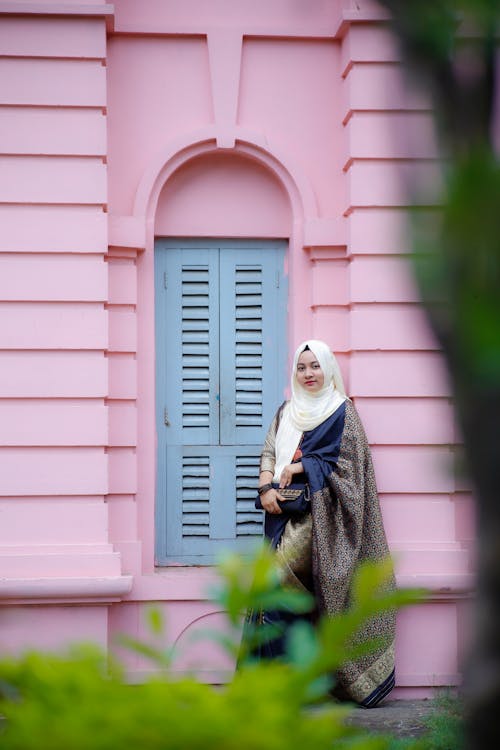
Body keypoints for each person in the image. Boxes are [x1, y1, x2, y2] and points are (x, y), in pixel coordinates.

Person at [253, 339, 395, 707]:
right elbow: (270, 448)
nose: (308, 374)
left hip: (320, 522)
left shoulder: (342, 412)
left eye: (315, 366)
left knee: (285, 593)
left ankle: (298, 686)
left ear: (328, 368)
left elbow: (350, 467)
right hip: (280, 516)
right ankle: (276, 684)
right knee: (277, 599)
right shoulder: (287, 410)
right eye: (302, 367)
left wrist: (301, 466)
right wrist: (265, 484)